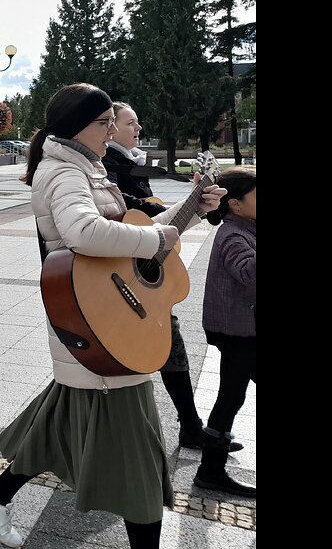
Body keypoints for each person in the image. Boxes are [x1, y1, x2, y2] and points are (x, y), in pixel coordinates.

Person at [0, 83, 225, 549]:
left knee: (63, 418)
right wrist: (158, 240)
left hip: (99, 314)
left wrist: (188, 211)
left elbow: (133, 234)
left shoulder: (86, 168)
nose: (113, 131)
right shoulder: (64, 172)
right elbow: (86, 233)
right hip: (98, 320)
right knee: (142, 458)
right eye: (105, 123)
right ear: (76, 126)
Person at [102, 102, 242, 453]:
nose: (138, 128)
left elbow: (143, 209)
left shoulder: (130, 161)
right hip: (115, 274)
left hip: (140, 263)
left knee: (169, 341)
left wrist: (193, 201)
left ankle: (190, 425)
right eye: (129, 122)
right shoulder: (104, 164)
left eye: (138, 122)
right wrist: (184, 206)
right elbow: (130, 209)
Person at [193, 167, 257, 498]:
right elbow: (248, 271)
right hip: (238, 330)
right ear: (235, 204)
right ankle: (210, 469)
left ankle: (210, 469)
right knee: (231, 394)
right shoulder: (234, 234)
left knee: (231, 394)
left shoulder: (247, 226)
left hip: (239, 328)